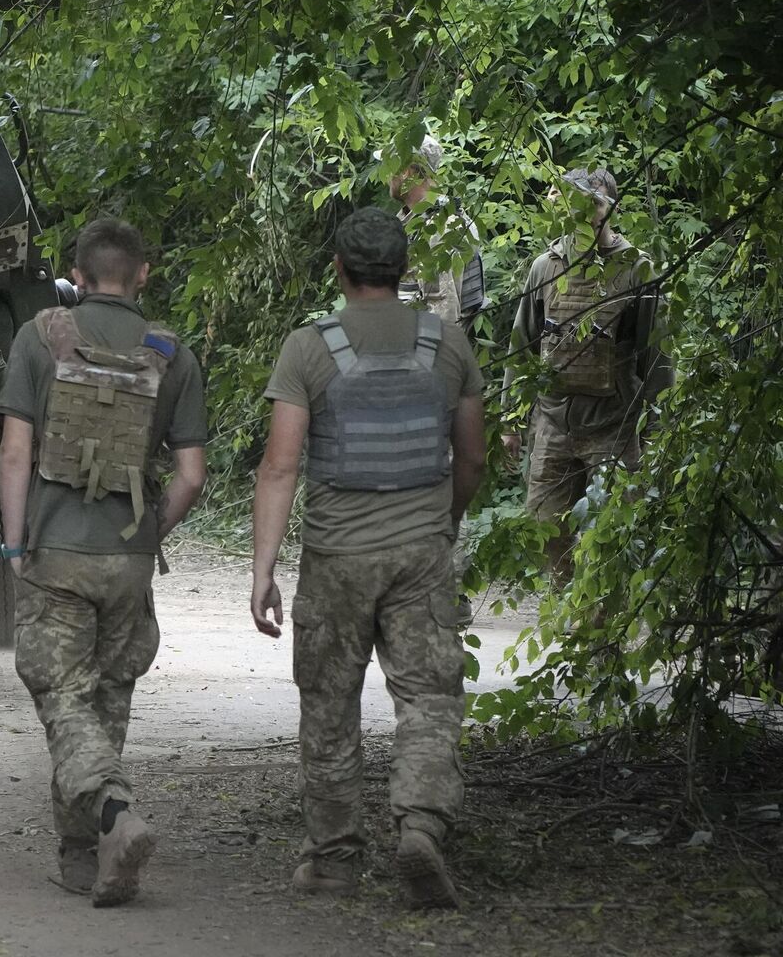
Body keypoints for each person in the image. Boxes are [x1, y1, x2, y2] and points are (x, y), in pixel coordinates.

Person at [250, 207, 487, 909]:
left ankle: (332, 860)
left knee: (328, 706)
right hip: (420, 553)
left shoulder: (309, 348)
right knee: (428, 697)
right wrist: (441, 521)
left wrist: (263, 569)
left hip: (337, 557)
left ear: (340, 270)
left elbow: (279, 468)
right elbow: (470, 456)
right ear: (404, 266)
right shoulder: (448, 344)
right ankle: (419, 824)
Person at [0, 218, 208, 908]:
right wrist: (149, 531)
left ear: (76, 275)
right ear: (142, 274)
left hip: (56, 550)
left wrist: (15, 542)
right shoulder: (170, 352)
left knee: (62, 698)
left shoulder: (41, 336)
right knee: (107, 699)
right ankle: (81, 855)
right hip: (127, 556)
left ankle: (112, 811)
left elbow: (16, 453)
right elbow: (192, 475)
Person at [503, 167, 667, 591]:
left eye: (591, 201)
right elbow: (522, 345)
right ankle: (567, 604)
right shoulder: (546, 267)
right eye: (573, 200)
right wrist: (510, 420)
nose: (583, 210)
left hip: (613, 424)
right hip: (553, 421)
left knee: (612, 532)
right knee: (545, 527)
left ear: (608, 207)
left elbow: (656, 354)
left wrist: (658, 425)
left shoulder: (636, 270)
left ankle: (601, 624)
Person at [389, 135, 486, 332]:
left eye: (391, 166)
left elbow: (444, 310)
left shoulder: (441, 227)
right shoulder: (411, 223)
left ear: (407, 172)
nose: (387, 175)